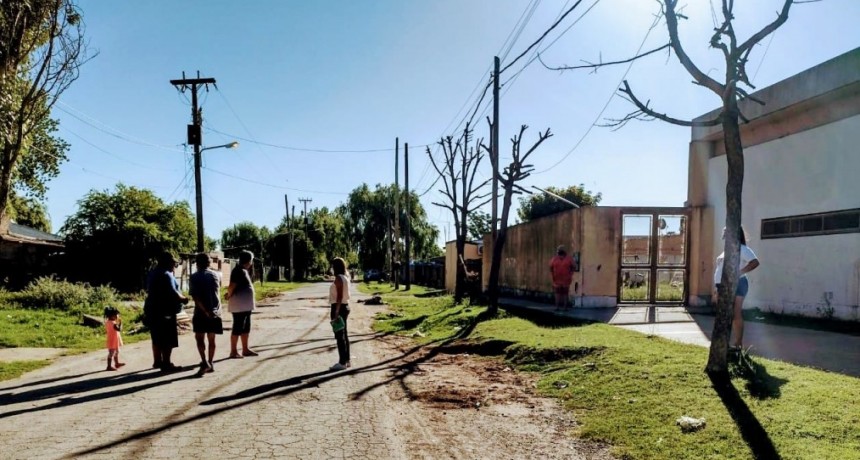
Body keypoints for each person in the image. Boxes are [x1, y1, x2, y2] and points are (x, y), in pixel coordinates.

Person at [713, 227, 760, 350]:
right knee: (723, 314)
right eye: (724, 234)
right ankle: (724, 344)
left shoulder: (743, 249)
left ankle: (738, 344)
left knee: (735, 313)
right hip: (721, 285)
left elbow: (755, 262)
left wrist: (739, 273)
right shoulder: (725, 251)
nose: (724, 236)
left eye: (726, 233)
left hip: (738, 283)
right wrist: (716, 287)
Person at [144, 251, 189, 372]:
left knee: (156, 336)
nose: (174, 266)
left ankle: (157, 361)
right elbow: (172, 292)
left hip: (152, 309)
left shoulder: (152, 273)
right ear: (168, 263)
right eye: (173, 263)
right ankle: (167, 364)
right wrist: (184, 299)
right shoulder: (166, 274)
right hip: (165, 310)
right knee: (167, 337)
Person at [189, 253, 223, 374]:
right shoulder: (217, 275)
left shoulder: (194, 277)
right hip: (216, 312)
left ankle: (204, 362)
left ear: (196, 263)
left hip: (201, 313)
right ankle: (211, 361)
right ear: (209, 263)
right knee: (212, 339)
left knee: (199, 338)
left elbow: (196, 298)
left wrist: (205, 311)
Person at [226, 250, 258, 358]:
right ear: (249, 260)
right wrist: (228, 295)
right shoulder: (238, 270)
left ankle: (245, 349)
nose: (252, 263)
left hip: (245, 306)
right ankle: (233, 351)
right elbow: (232, 286)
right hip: (239, 306)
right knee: (238, 327)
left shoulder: (243, 270)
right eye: (251, 260)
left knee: (245, 328)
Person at [329, 257, 352, 371]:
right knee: (344, 334)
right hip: (345, 306)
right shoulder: (346, 277)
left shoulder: (338, 278)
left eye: (333, 266)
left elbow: (339, 297)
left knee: (339, 336)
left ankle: (342, 362)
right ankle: (347, 360)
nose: (331, 268)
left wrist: (336, 313)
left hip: (339, 307)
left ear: (335, 267)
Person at [549, 245, 576, 310]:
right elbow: (551, 267)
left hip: (564, 279)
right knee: (560, 293)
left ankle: (562, 307)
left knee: (563, 293)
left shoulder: (568, 259)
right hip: (558, 279)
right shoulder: (555, 259)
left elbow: (573, 267)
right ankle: (560, 307)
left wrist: (570, 274)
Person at [104, 306, 125, 371]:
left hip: (114, 339)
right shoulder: (113, 323)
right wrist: (120, 323)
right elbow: (119, 329)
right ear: (112, 315)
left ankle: (116, 363)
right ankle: (109, 366)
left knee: (116, 351)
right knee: (112, 353)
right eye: (116, 315)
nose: (117, 316)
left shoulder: (108, 322)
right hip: (113, 340)